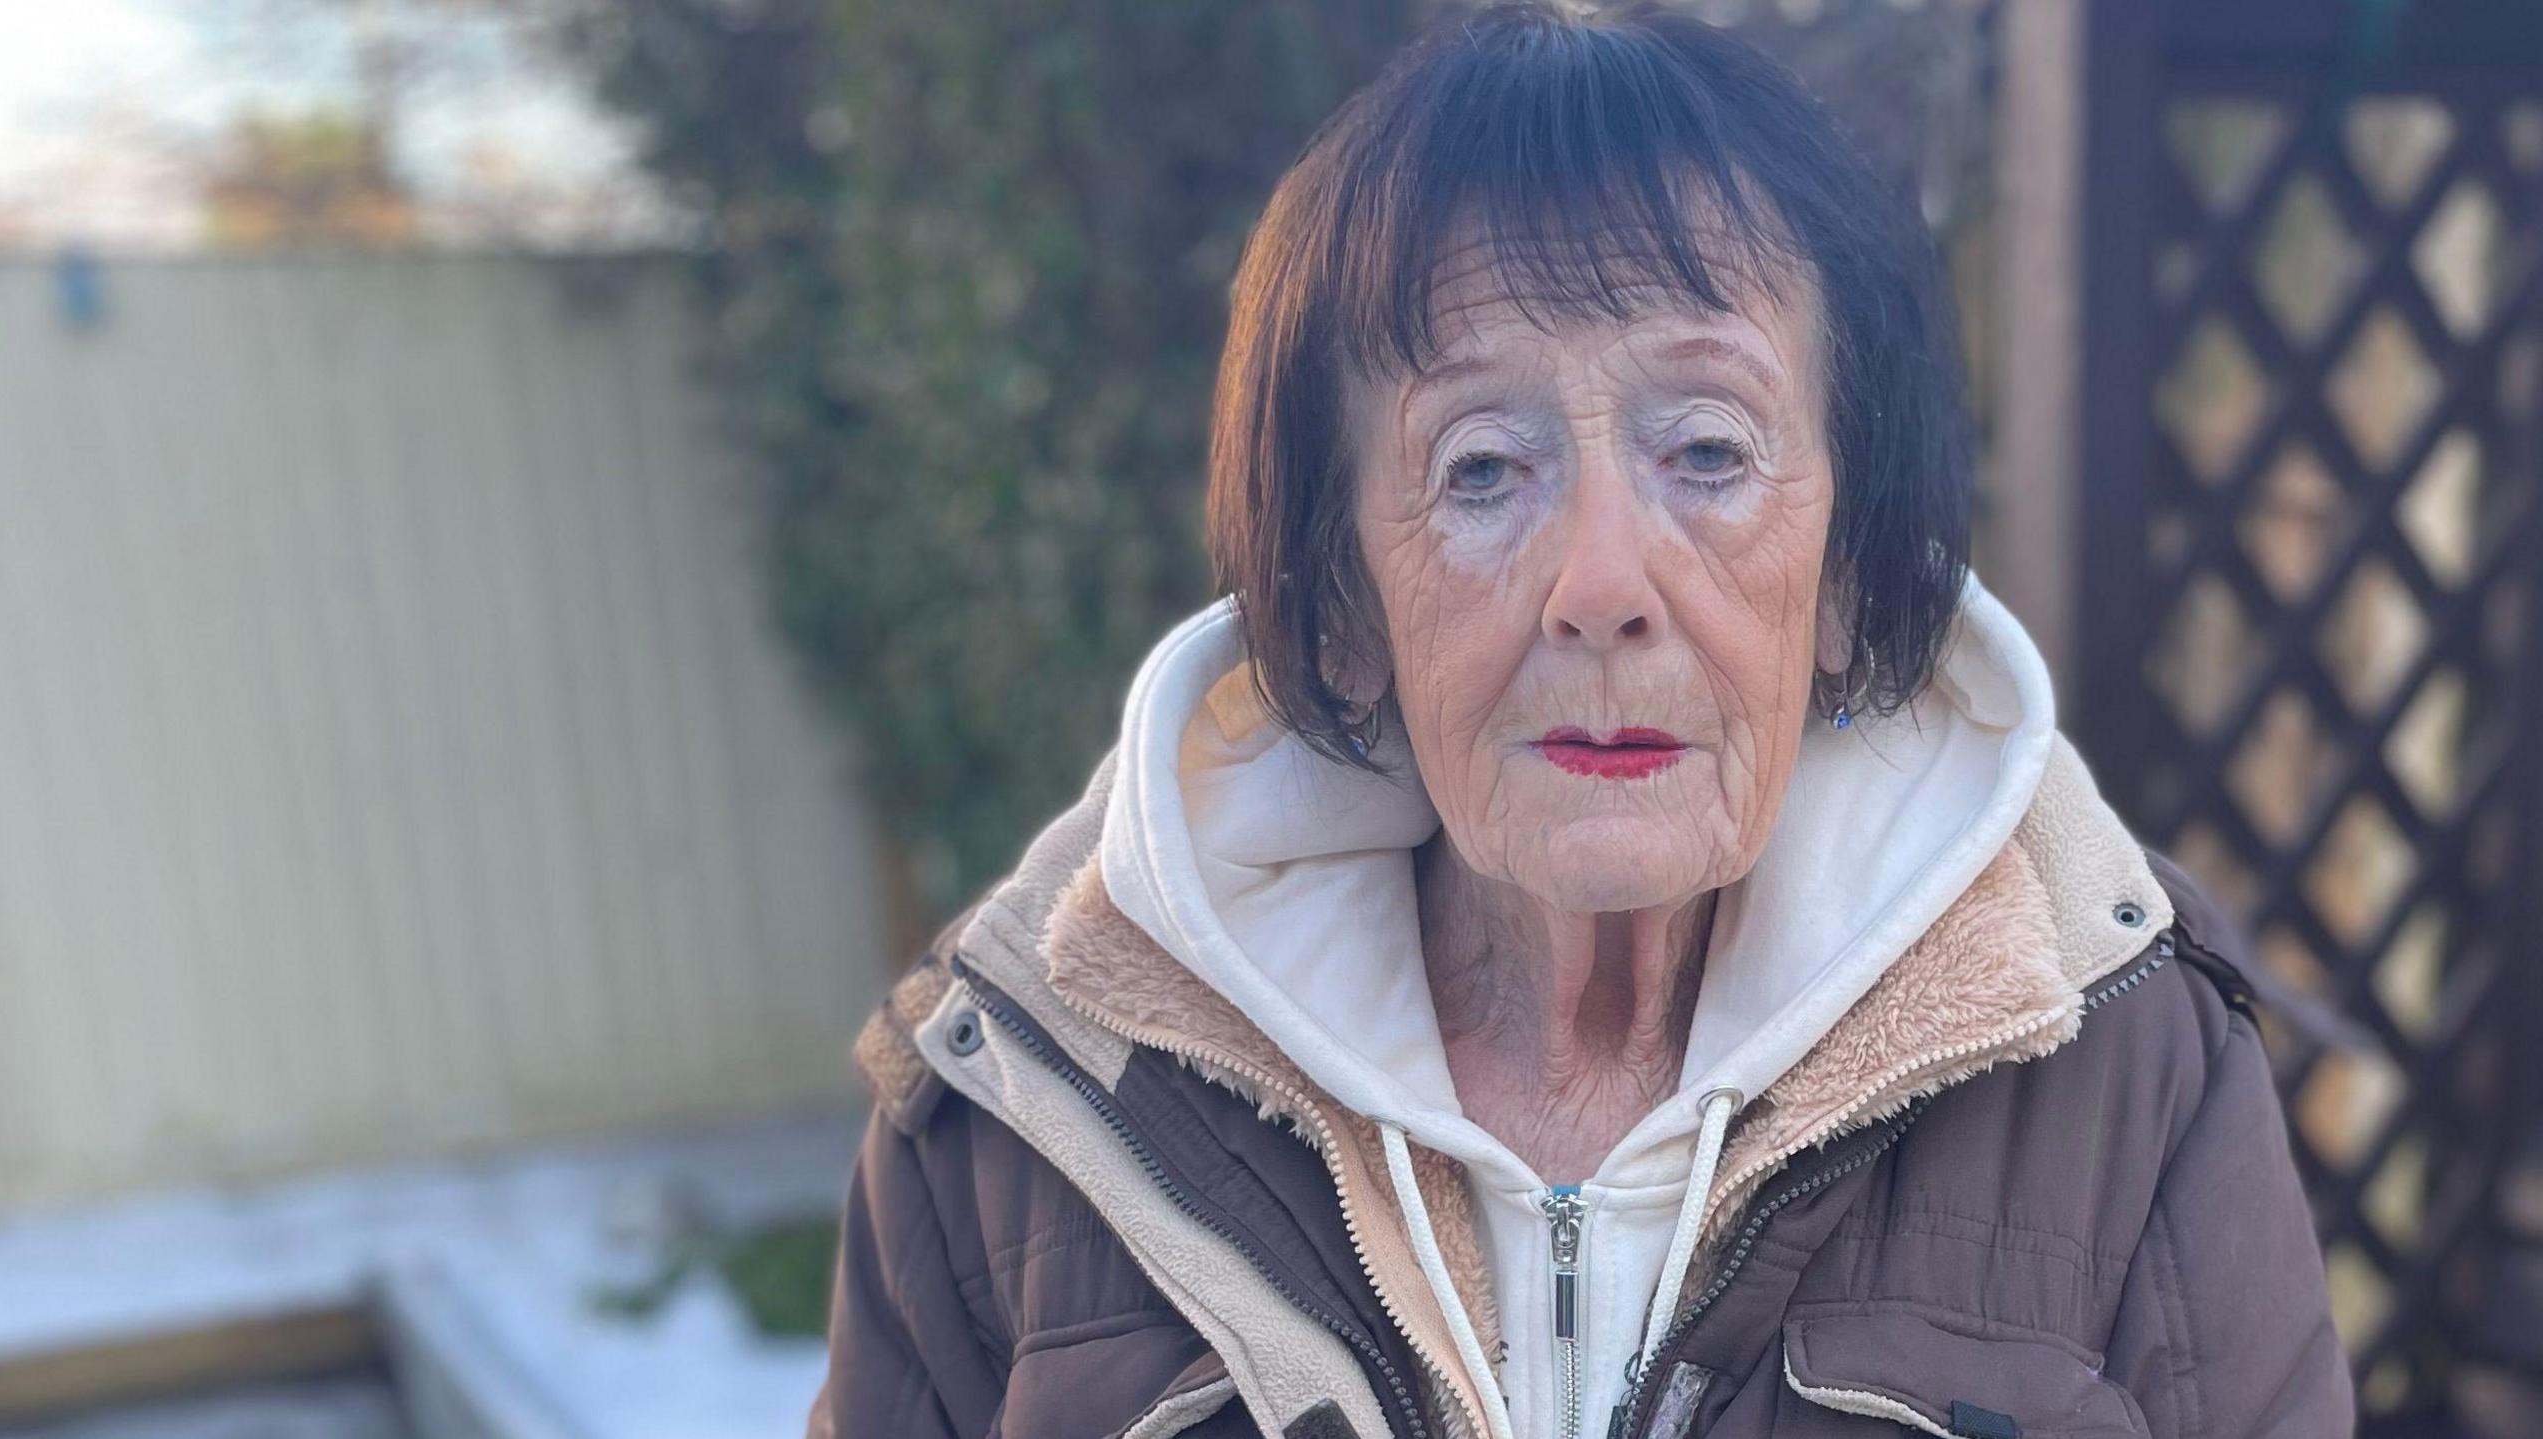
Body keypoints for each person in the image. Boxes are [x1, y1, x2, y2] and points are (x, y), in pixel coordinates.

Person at [807, 5, 2351, 1435]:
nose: (1603, 584)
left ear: (1845, 578)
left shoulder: (2126, 1063)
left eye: (1708, 450)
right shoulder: (1007, 1118)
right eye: (1483, 468)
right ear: (1344, 610)